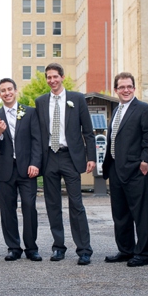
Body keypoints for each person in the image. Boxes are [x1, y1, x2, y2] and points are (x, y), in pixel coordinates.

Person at [35, 63, 96, 264]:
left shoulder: (77, 99)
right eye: (48, 77)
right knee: (52, 205)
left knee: (76, 204)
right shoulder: (41, 101)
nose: (52, 80)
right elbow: (38, 134)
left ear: (62, 77)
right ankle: (58, 247)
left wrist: (92, 157)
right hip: (49, 157)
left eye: (55, 76)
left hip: (71, 156)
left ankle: (84, 250)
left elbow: (88, 131)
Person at [101, 72, 148, 267]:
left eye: (129, 87)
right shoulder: (117, 110)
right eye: (122, 87)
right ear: (115, 90)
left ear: (134, 88)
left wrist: (145, 161)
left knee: (140, 214)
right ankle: (126, 250)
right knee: (120, 213)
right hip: (116, 168)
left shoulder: (143, 109)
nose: (126, 90)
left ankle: (142, 253)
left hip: (135, 169)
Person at [0, 77, 42, 261]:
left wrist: (35, 163)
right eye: (3, 90)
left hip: (27, 170)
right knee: (7, 210)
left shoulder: (30, 112)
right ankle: (13, 247)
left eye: (10, 89)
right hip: (5, 171)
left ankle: (31, 247)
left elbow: (36, 141)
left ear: (15, 91)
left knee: (29, 207)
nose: (7, 92)